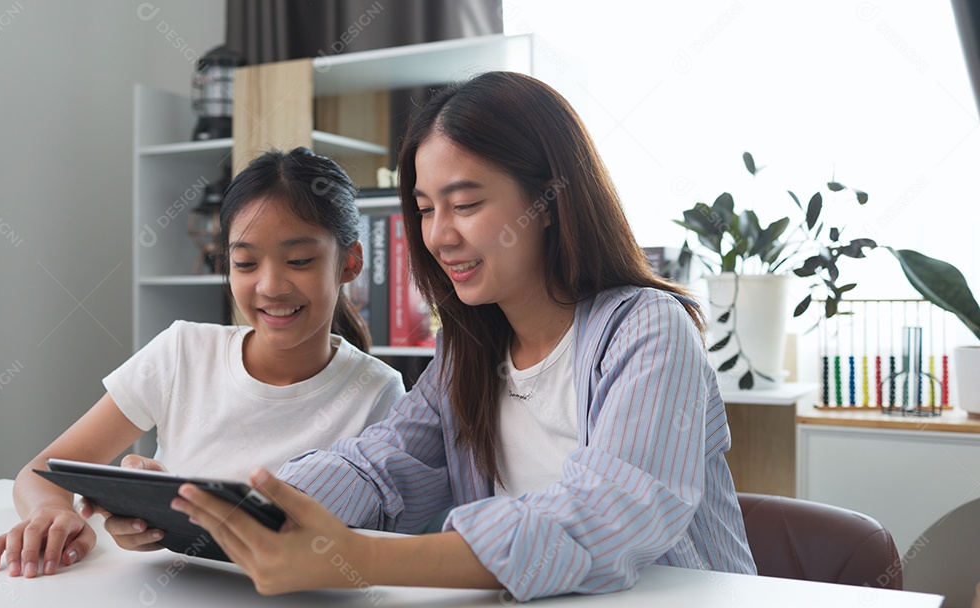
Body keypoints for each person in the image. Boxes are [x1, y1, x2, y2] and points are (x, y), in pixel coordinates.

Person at [171, 71, 757, 602]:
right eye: (425, 209)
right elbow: (380, 465)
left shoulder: (647, 328)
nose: (439, 236)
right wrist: (207, 513)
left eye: (466, 203)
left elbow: (605, 518)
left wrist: (362, 558)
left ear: (549, 200)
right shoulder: (469, 347)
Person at [0, 148, 405, 578]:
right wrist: (55, 513)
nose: (271, 285)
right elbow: (42, 471)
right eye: (245, 262)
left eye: (299, 261)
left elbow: (374, 538)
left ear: (349, 262)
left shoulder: (378, 391)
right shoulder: (182, 351)